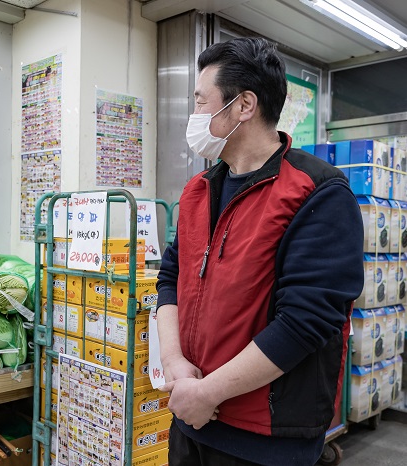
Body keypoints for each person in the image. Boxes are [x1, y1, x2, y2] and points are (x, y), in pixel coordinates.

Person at [156, 37, 364, 466]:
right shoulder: (199, 189)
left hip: (265, 440)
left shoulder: (318, 192)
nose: (194, 114)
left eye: (201, 101)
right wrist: (176, 365)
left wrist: (207, 393)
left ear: (244, 105)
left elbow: (306, 322)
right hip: (190, 421)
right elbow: (170, 277)